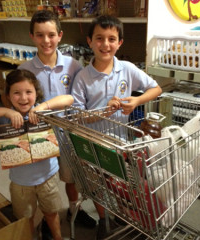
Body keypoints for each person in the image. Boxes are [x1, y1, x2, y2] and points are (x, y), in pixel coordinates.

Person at [71, 15, 162, 240]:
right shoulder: (82, 77)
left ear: (120, 42)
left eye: (112, 39)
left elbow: (156, 88)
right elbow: (76, 116)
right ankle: (103, 218)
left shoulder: (127, 69)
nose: (106, 44)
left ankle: (123, 213)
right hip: (93, 143)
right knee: (97, 185)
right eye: (99, 38)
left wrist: (137, 101)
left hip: (121, 142)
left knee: (121, 182)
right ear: (89, 41)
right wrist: (104, 111)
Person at [0, 69, 74, 240]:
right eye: (16, 93)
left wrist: (42, 107)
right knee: (26, 217)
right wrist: (6, 112)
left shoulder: (43, 110)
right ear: (8, 95)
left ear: (36, 93)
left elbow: (69, 99)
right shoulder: (5, 118)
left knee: (52, 212)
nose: (23, 98)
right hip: (21, 182)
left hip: (48, 176)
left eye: (28, 92)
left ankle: (57, 237)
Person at [18, 9, 96, 237]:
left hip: (68, 132)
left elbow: (80, 97)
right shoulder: (24, 69)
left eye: (51, 35)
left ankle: (73, 209)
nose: (46, 41)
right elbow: (12, 97)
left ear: (60, 36)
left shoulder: (73, 66)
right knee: (45, 181)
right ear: (32, 36)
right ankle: (49, 220)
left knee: (71, 177)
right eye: (40, 35)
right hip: (40, 136)